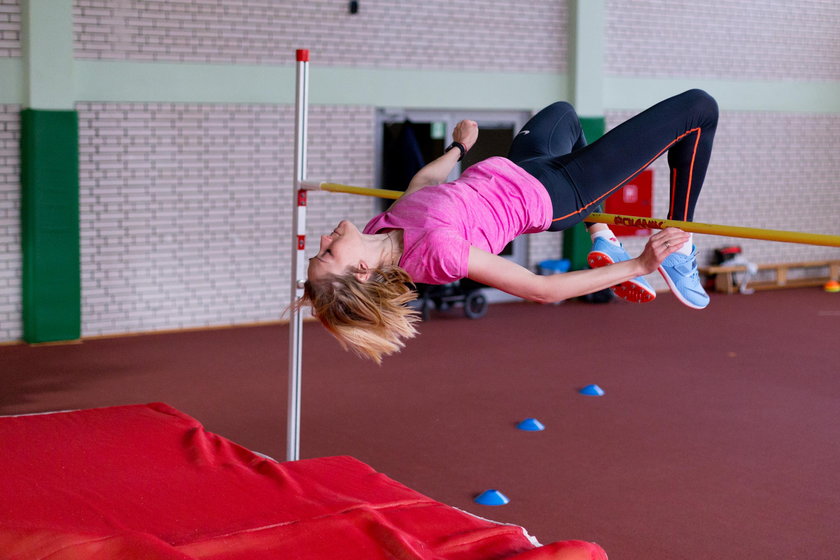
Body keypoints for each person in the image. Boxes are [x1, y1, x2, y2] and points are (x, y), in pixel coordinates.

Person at [301, 89, 719, 362]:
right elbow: (541, 289)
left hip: (522, 165)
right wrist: (640, 266)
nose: (323, 240)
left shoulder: (380, 227)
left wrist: (459, 148)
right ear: (360, 271)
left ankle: (601, 236)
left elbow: (423, 185)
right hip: (558, 192)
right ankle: (681, 247)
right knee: (698, 109)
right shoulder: (434, 253)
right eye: (328, 253)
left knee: (565, 116)